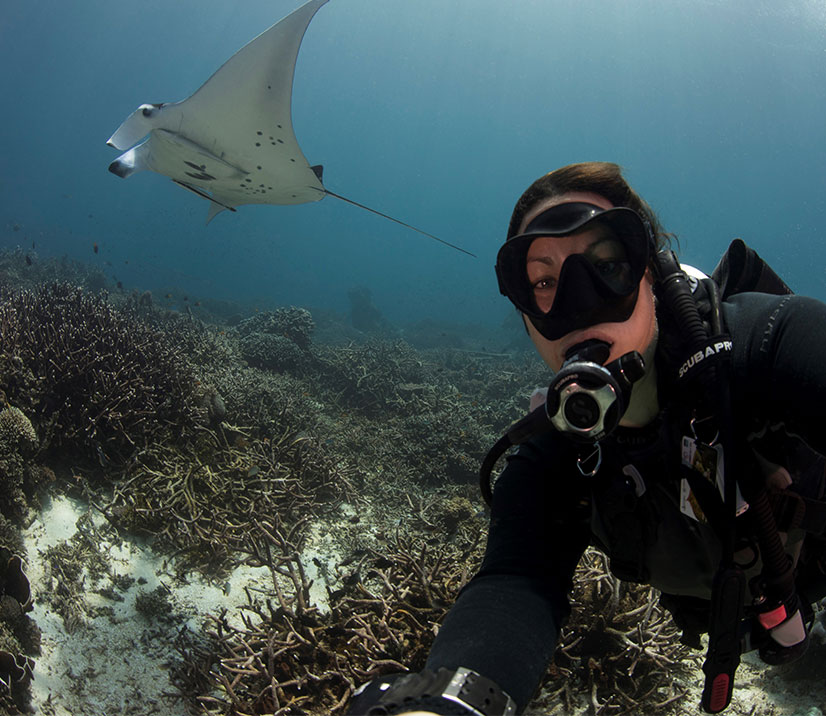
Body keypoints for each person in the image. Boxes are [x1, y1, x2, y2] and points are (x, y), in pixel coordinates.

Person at [349, 162, 826, 716]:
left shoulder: (767, 346)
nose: (577, 304)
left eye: (607, 265)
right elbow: (515, 581)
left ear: (651, 276)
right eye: (544, 282)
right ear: (524, 314)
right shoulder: (558, 450)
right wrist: (449, 703)